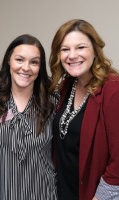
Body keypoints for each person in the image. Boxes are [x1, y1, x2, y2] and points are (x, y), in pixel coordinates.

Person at [49, 19, 119, 200]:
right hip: (64, 191)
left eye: (80, 47)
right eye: (65, 49)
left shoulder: (113, 89)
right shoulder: (67, 86)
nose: (72, 55)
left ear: (95, 50)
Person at [0, 34, 57, 199]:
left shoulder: (52, 102)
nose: (26, 68)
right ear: (9, 60)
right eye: (20, 59)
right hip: (3, 194)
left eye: (34, 62)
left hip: (44, 193)